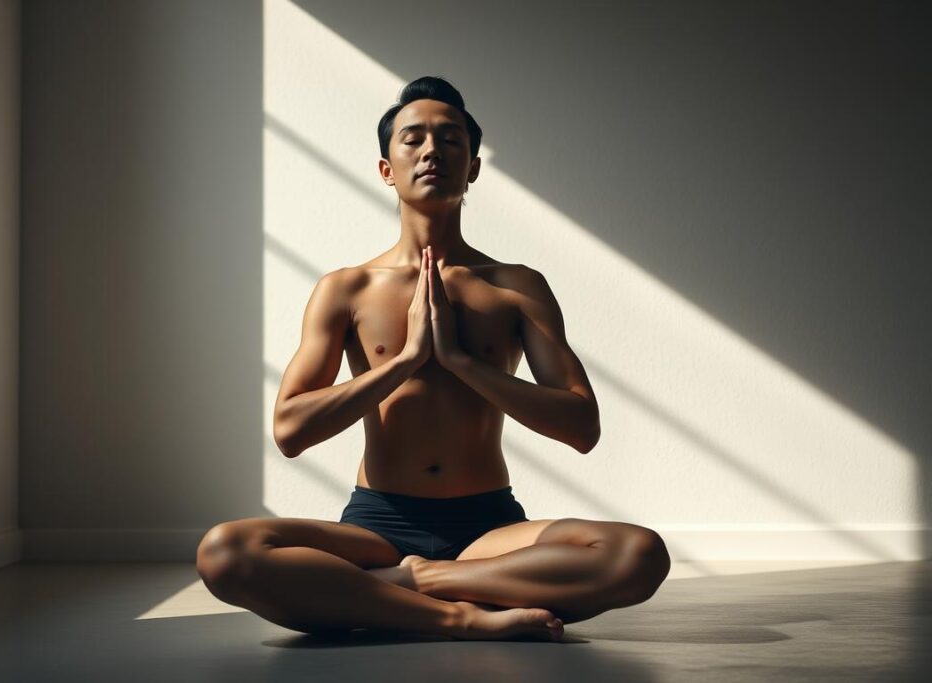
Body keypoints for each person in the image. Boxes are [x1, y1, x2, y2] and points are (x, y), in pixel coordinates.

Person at [196, 76, 670, 642]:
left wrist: (462, 362)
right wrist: (405, 360)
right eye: (413, 138)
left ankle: (408, 587)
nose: (431, 151)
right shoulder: (346, 289)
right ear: (386, 169)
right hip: (377, 527)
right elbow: (290, 431)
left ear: (471, 167)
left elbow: (581, 427)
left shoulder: (517, 287)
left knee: (638, 554)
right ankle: (463, 613)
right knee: (226, 552)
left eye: (449, 140)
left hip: (489, 529)